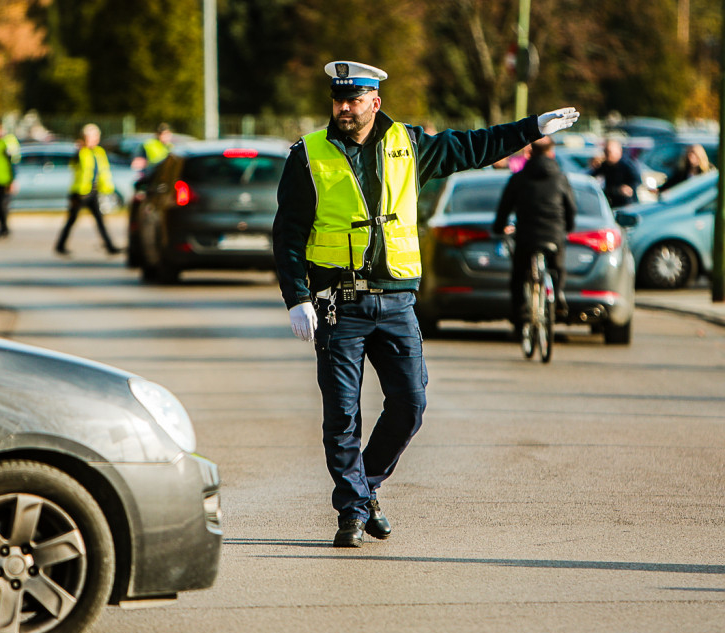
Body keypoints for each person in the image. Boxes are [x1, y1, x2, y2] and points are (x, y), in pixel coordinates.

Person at [272, 60, 579, 548]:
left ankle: (366, 486)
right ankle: (351, 511)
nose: (344, 108)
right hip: (338, 306)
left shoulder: (409, 145)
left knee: (411, 404)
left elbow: (476, 146)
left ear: (376, 102)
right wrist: (297, 298)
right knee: (342, 416)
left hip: (396, 302)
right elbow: (287, 233)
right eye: (338, 99)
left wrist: (532, 128)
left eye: (354, 100)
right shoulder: (307, 155)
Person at [492, 136, 577, 331]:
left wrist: (499, 228)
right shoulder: (561, 179)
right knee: (557, 268)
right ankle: (556, 296)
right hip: (554, 234)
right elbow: (570, 208)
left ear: (530, 153)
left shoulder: (518, 178)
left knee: (519, 276)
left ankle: (520, 316)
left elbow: (504, 208)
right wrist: (568, 228)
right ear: (551, 153)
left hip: (526, 235)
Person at [55, 124, 121, 255]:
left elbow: (103, 171)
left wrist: (107, 188)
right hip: (80, 192)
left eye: (95, 136)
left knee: (100, 220)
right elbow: (73, 165)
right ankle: (60, 245)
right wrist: (79, 150)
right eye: (89, 137)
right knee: (71, 220)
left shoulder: (99, 152)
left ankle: (110, 246)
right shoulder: (81, 152)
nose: (93, 139)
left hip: (93, 191)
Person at [589, 138, 640, 208]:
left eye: (609, 152)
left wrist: (629, 187)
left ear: (618, 152)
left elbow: (636, 180)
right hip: (611, 200)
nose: (607, 155)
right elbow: (591, 176)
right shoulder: (605, 165)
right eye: (605, 152)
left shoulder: (627, 165)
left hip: (626, 202)